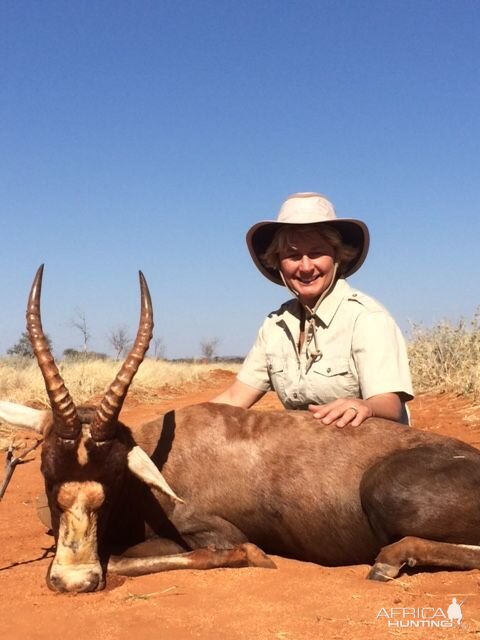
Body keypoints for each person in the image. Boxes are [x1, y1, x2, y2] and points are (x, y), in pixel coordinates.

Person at [212, 192, 413, 427]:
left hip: (376, 454)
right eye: (293, 255)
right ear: (278, 262)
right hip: (311, 454)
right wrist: (177, 423)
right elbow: (235, 398)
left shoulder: (367, 318)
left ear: (338, 255)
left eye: (317, 253)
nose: (306, 267)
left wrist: (365, 407)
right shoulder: (275, 325)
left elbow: (388, 405)